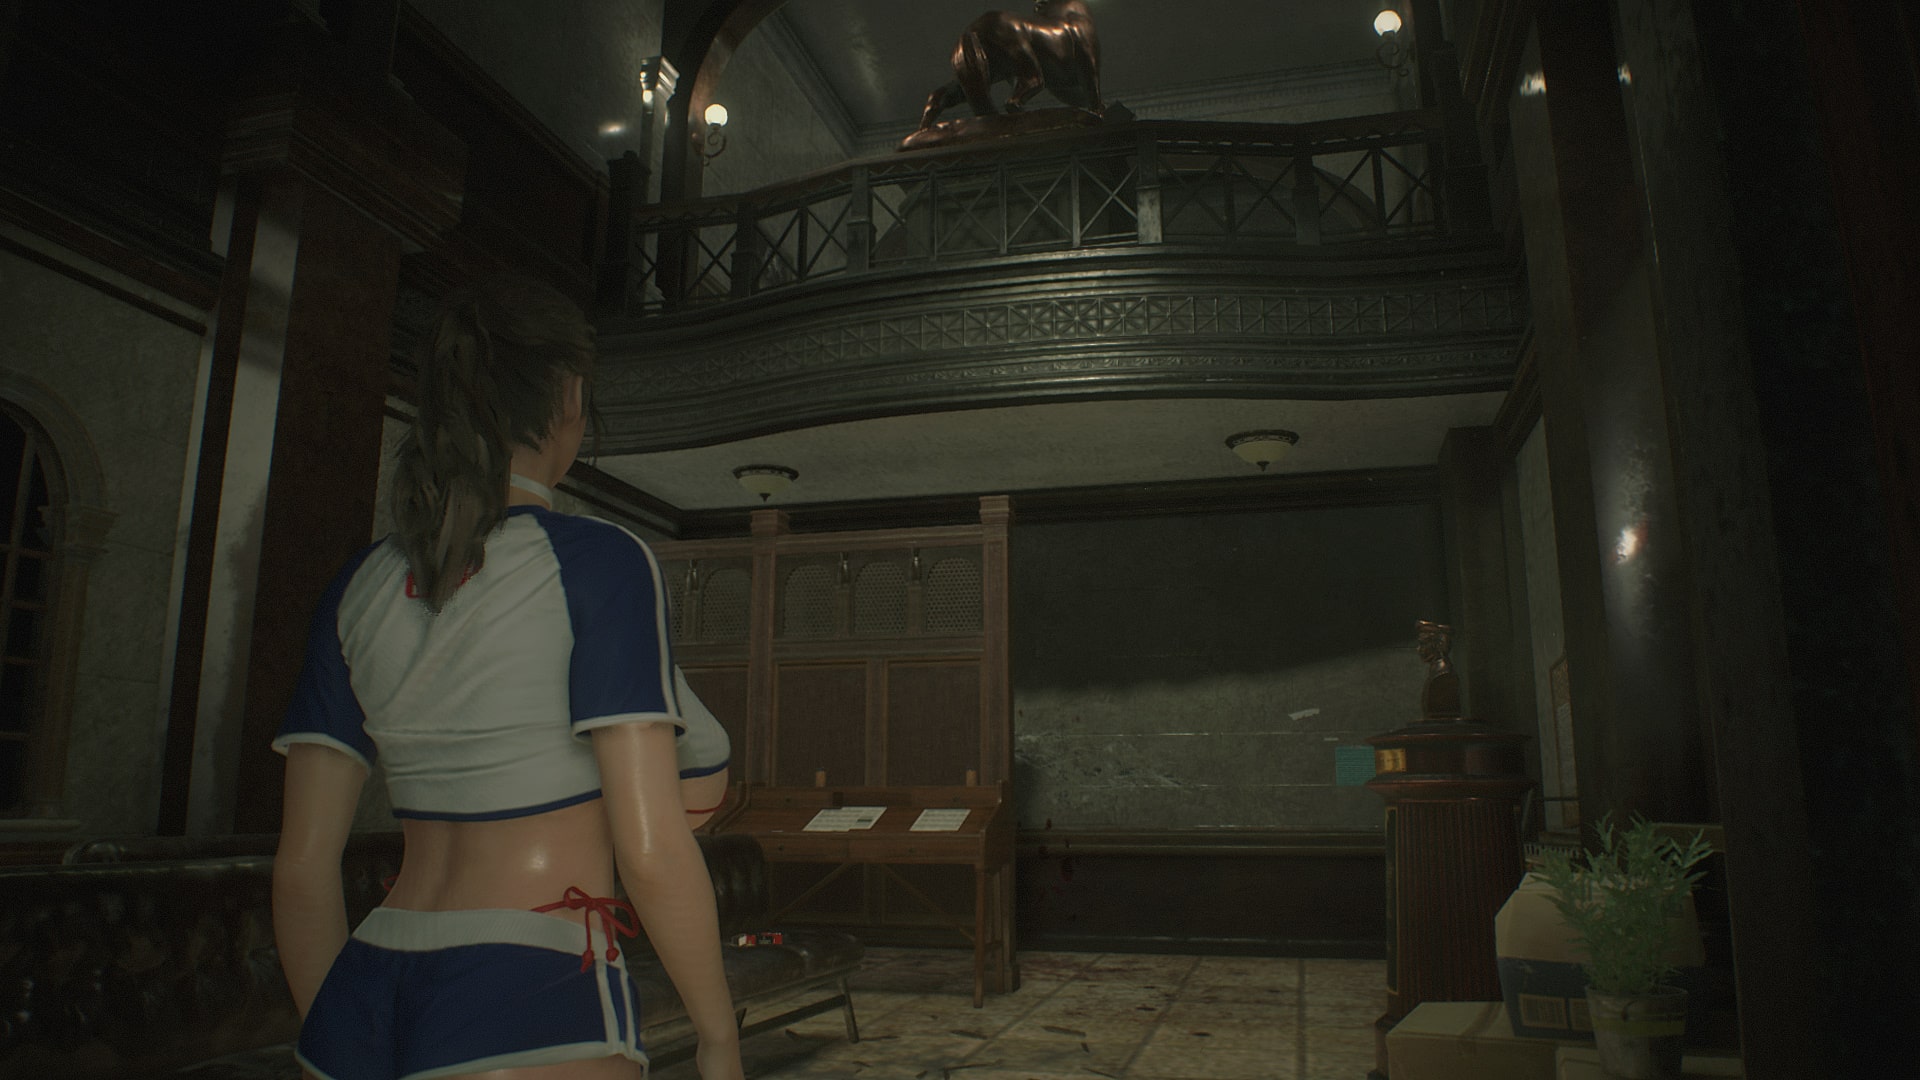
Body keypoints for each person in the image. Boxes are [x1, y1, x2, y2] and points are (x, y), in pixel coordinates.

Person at [270, 276, 745, 1080]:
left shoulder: (359, 583)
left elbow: (301, 867)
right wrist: (718, 1038)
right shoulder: (601, 561)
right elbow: (654, 849)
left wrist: (340, 1034)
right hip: (530, 980)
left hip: (362, 990)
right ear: (569, 396)